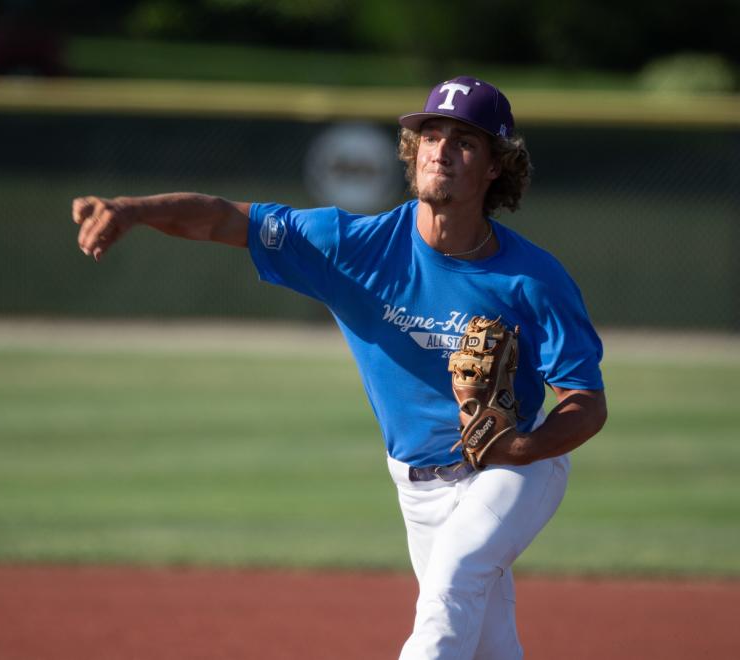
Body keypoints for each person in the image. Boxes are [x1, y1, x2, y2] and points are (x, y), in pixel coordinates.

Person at [71, 76, 607, 660]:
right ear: (413, 150)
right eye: (431, 134)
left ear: (496, 167)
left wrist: (523, 450)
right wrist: (133, 211)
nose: (441, 150)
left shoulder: (534, 278)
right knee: (485, 643)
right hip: (418, 487)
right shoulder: (355, 248)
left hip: (512, 471)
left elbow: (585, 400)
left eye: (465, 141)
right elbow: (224, 219)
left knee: (448, 597)